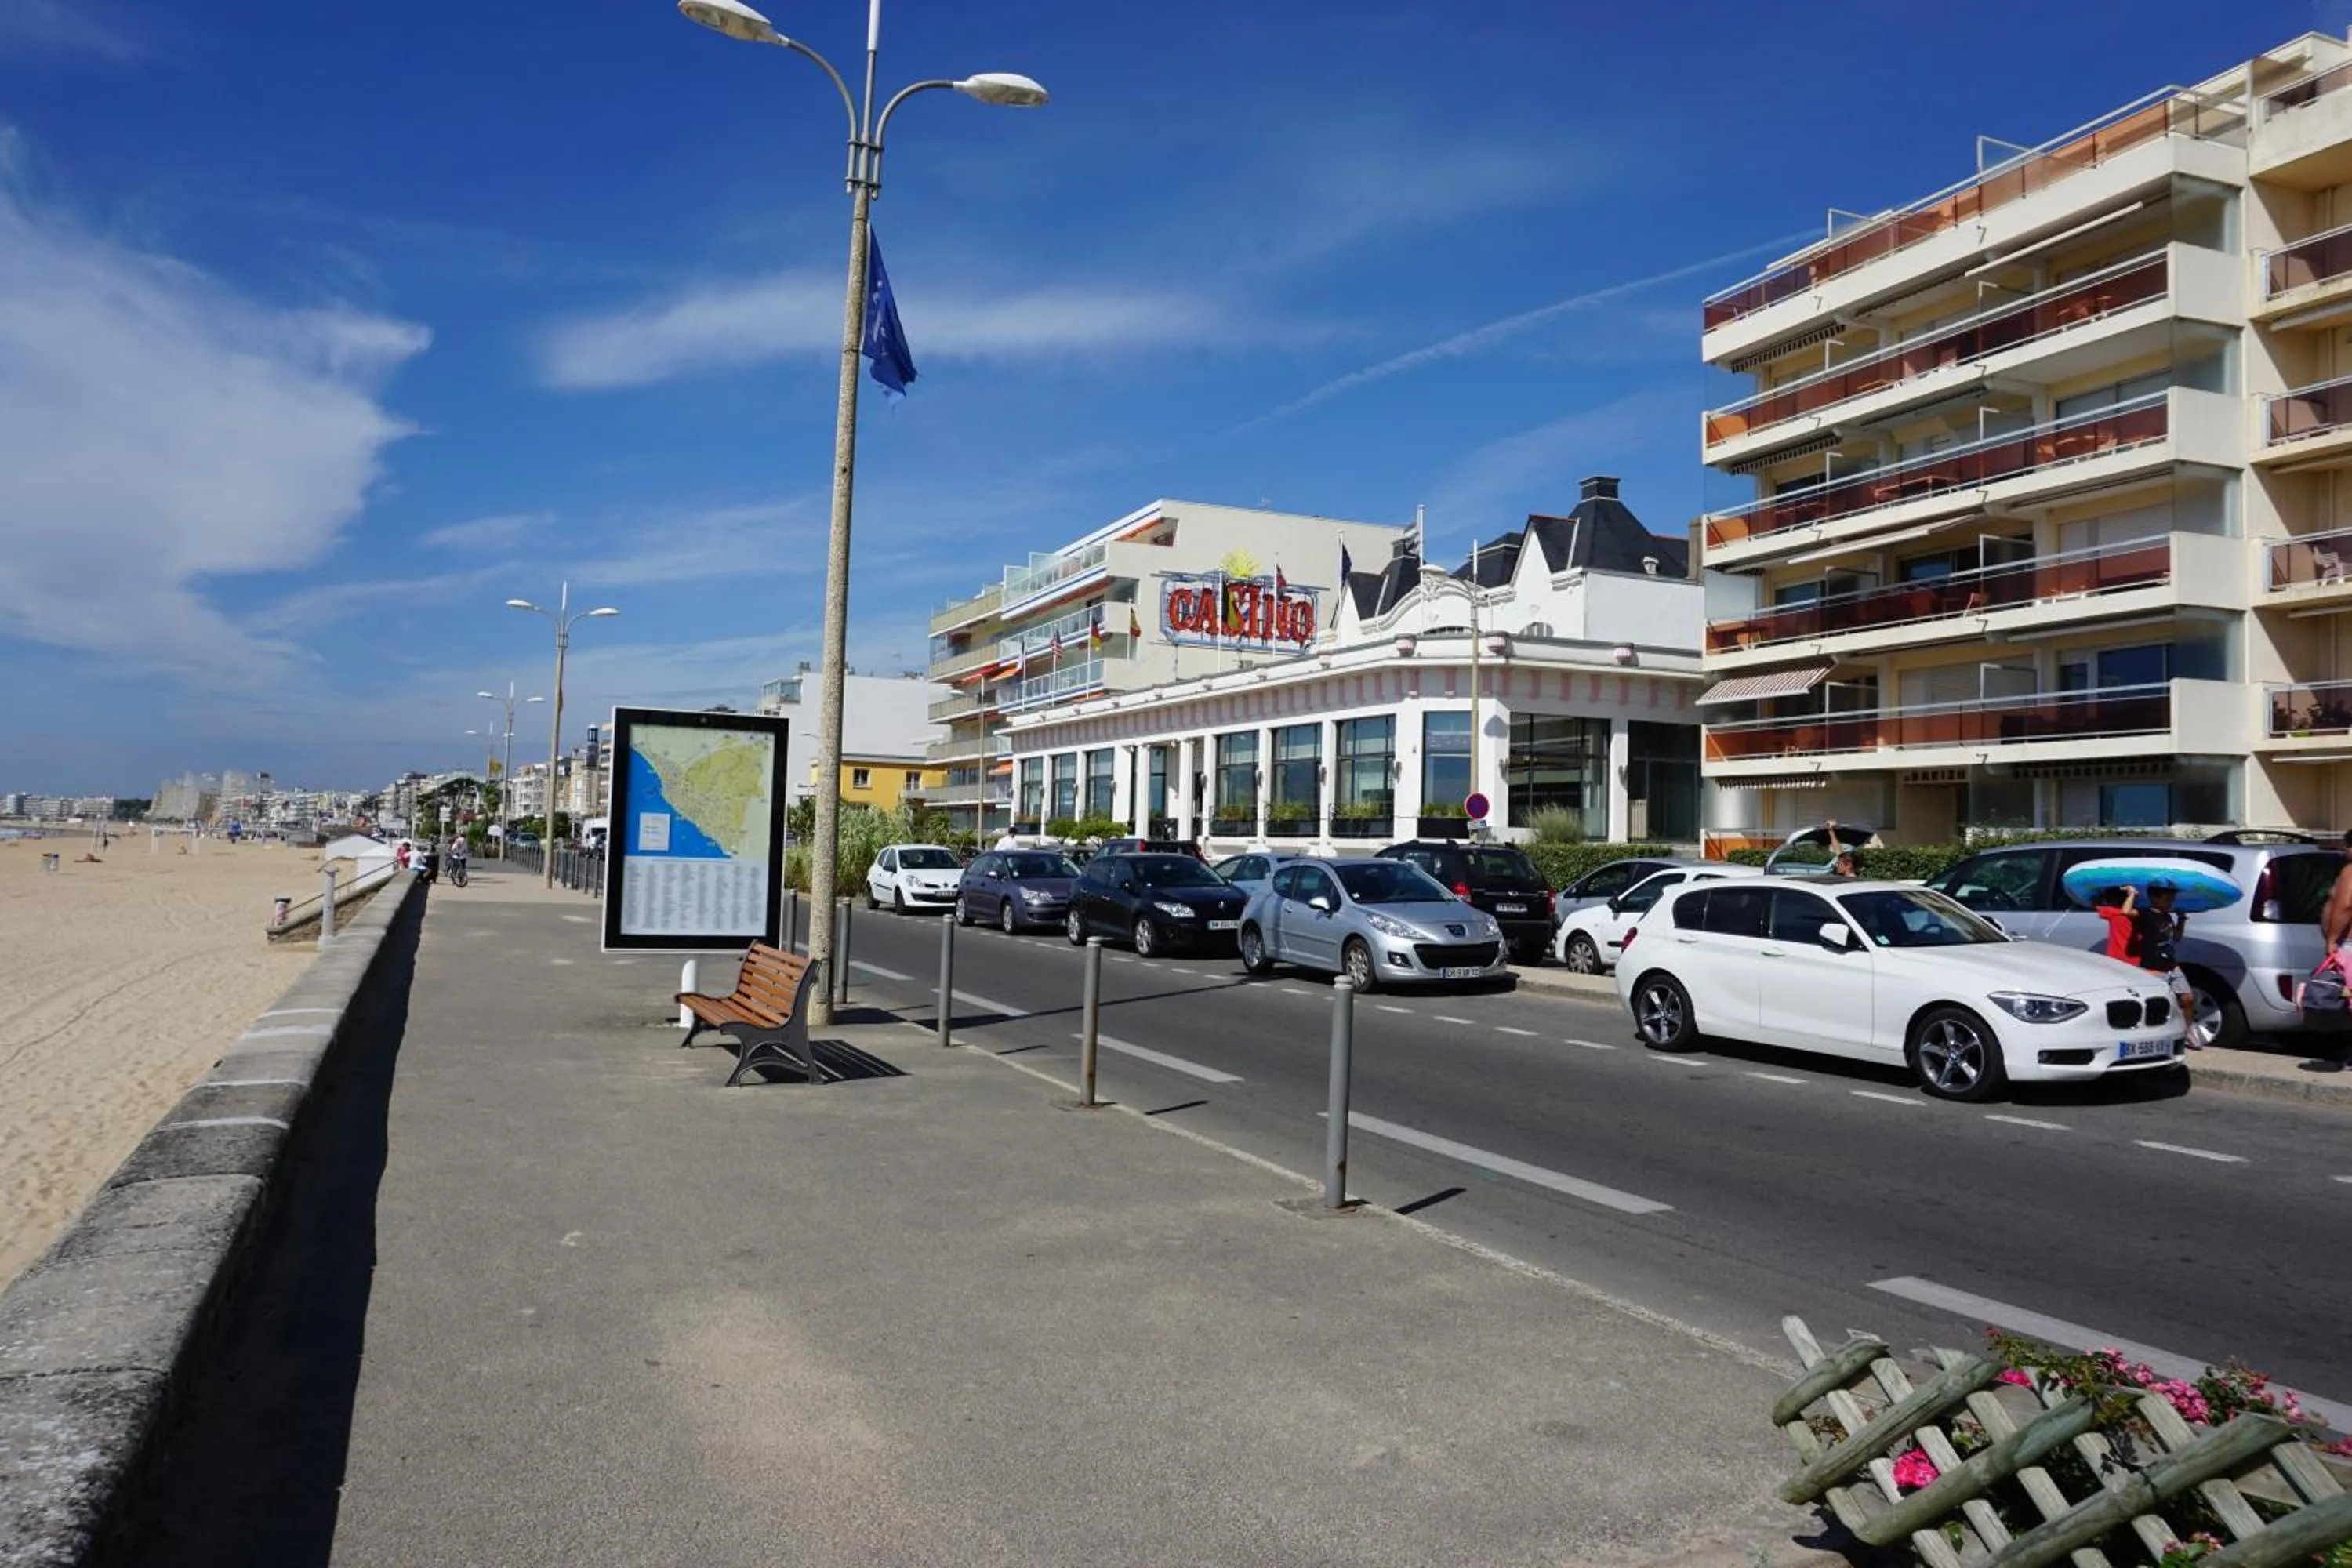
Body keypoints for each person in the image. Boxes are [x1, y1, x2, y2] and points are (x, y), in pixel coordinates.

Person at [2134, 879, 2198, 1048]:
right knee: (2158, 1004)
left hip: (2171, 964)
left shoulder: (2167, 917)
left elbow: (2176, 938)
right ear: (2154, 898)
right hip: (2153, 966)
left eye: (2172, 900)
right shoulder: (2145, 914)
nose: (2171, 903)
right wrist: (2131, 894)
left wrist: (2182, 920)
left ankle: (2187, 1031)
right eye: (2168, 899)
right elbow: (2126, 912)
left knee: (2188, 998)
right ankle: (2153, 1036)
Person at [2092, 885, 2139, 964]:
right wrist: (2132, 895)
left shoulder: (2113, 912)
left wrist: (2102, 894)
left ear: (2113, 901)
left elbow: (2094, 904)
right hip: (2134, 959)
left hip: (2116, 959)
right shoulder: (2137, 914)